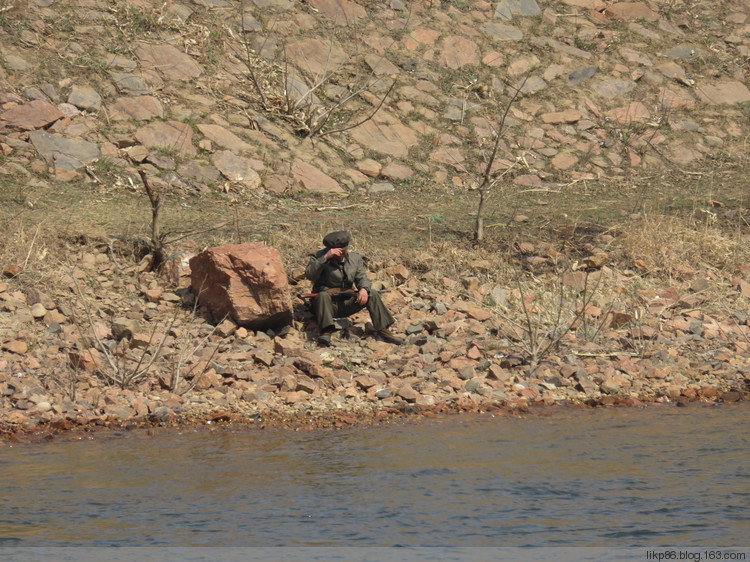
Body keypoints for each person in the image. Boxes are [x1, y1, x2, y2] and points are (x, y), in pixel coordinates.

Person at [305, 231, 404, 346]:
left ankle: (383, 330)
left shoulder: (355, 259)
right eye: (336, 252)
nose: (340, 254)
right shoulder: (318, 257)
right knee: (322, 295)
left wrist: (364, 289)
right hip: (325, 306)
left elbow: (362, 278)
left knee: (372, 293)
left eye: (343, 251)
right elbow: (310, 275)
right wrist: (325, 258)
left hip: (346, 302)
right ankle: (326, 332)